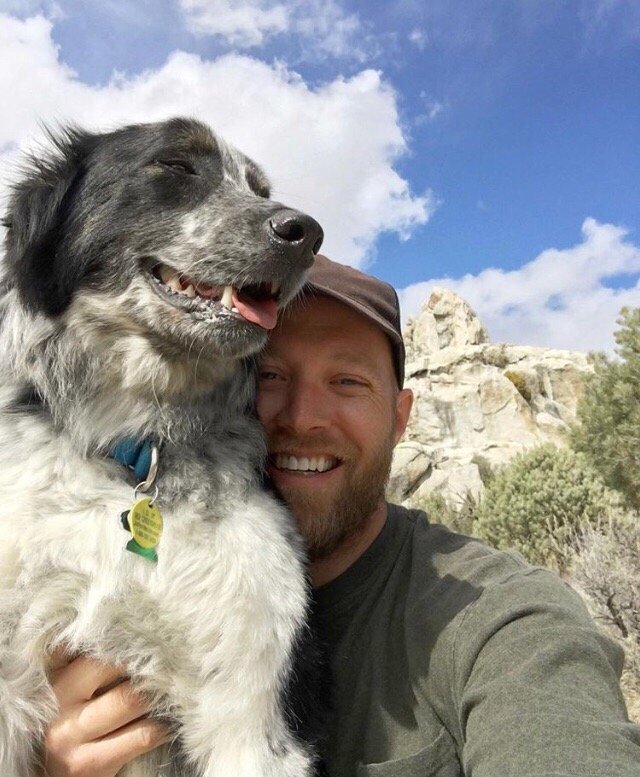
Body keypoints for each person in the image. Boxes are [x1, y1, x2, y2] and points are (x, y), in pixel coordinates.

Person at [43, 256, 640, 776]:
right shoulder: (113, 579)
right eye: (269, 376)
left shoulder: (497, 620)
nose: (302, 416)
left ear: (400, 419)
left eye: (348, 381)